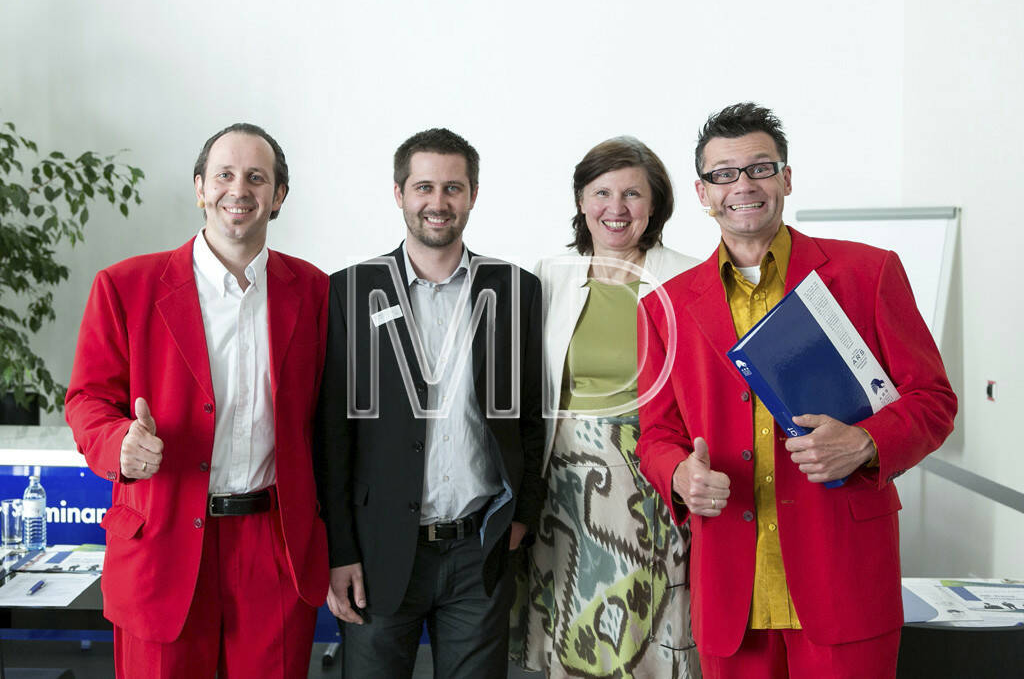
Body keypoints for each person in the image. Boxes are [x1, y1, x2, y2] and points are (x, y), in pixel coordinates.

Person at [635, 103, 958, 678]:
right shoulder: (665, 307)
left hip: (845, 581)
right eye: (724, 174)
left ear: (786, 178)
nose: (744, 185)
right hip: (733, 591)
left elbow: (933, 401)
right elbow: (658, 434)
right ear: (703, 193)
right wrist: (679, 474)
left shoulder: (868, 273)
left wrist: (864, 441)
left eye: (761, 168)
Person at [65, 123, 329, 677]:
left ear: (278, 196)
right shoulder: (125, 286)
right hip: (161, 537)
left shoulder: (316, 291)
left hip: (274, 544)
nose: (240, 189)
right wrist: (118, 445)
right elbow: (88, 398)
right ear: (200, 188)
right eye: (225, 175)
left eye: (257, 177)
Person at [314, 127, 545, 679]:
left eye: (452, 188)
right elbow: (333, 436)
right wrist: (341, 550)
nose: (437, 203)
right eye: (423, 187)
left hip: (478, 550)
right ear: (399, 194)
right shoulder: (349, 291)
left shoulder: (514, 291)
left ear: (473, 194)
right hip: (379, 552)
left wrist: (522, 516)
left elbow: (534, 418)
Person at [511, 136, 702, 678]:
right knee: (575, 634)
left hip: (652, 485)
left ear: (655, 205)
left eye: (633, 195)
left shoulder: (690, 276)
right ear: (580, 200)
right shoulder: (549, 276)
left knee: (652, 627)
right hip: (564, 491)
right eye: (602, 192)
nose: (616, 209)